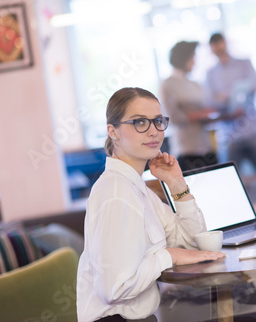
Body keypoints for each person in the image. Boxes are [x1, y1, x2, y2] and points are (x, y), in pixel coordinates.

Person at [76, 87, 225, 322]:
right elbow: (113, 289)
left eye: (157, 121)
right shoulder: (116, 192)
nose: (154, 131)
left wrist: (176, 184)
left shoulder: (137, 188)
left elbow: (193, 243)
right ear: (112, 131)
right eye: (139, 122)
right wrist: (168, 255)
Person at [205, 32, 256, 176]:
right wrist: (234, 92)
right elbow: (210, 101)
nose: (218, 49)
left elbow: (252, 86)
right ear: (211, 49)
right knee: (232, 177)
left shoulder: (244, 63)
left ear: (226, 43)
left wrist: (224, 95)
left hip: (252, 130)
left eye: (220, 44)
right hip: (229, 136)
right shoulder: (210, 73)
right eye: (215, 46)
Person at [160, 41, 218, 172]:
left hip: (206, 147)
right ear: (184, 58)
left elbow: (207, 110)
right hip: (186, 151)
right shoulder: (167, 84)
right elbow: (173, 118)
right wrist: (201, 114)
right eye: (193, 57)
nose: (195, 61)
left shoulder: (195, 84)